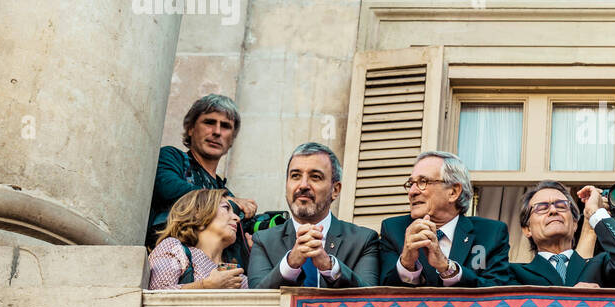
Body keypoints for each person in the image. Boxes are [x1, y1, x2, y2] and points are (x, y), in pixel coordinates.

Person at [248, 143, 380, 288]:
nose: (303, 185)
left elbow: (370, 299)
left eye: (315, 177)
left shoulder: (363, 241)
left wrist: (329, 266)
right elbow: (256, 301)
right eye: (295, 176)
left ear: (335, 190)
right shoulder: (264, 241)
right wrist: (290, 264)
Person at [148, 94, 258, 266]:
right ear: (191, 129)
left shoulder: (227, 194)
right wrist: (222, 201)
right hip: (171, 266)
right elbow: (167, 186)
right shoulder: (173, 158)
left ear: (231, 140)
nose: (216, 132)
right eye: (209, 122)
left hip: (213, 276)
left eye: (226, 126)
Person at [378, 150, 512, 287]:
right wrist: (406, 264)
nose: (412, 192)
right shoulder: (394, 229)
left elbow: (497, 293)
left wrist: (447, 268)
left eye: (423, 182)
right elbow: (382, 294)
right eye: (410, 184)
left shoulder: (491, 233)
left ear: (453, 192)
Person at [509, 181, 615, 287]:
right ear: (527, 229)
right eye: (542, 208)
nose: (553, 210)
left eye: (561, 205)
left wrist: (594, 213)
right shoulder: (514, 274)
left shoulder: (601, 264)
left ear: (574, 223)